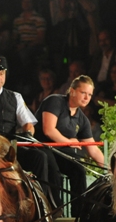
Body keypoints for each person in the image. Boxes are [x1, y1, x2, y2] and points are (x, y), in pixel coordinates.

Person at [0, 56, 62, 210]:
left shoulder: (15, 97)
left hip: (10, 147)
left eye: (1, 73)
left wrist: (28, 131)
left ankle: (43, 203)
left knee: (41, 157)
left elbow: (28, 123)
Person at [35, 75, 105, 213]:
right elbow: (48, 130)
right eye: (83, 93)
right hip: (41, 146)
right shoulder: (54, 101)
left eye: (90, 94)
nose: (87, 97)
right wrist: (69, 142)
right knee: (52, 167)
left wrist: (109, 170)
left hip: (60, 152)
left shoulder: (82, 119)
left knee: (78, 169)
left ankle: (79, 214)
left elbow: (93, 149)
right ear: (72, 91)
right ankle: (55, 209)